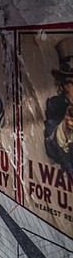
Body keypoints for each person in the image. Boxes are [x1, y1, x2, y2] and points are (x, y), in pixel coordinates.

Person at [45, 37, 73, 173]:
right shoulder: (55, 105)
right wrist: (64, 128)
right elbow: (50, 149)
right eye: (69, 83)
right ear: (61, 86)